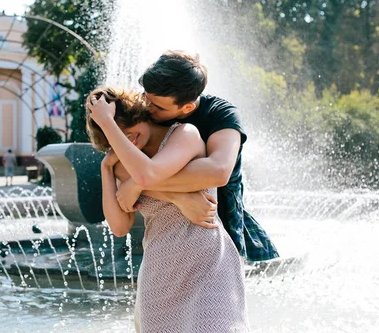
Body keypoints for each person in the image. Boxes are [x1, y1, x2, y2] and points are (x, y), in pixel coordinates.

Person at [87, 87, 249, 332]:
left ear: (139, 114)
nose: (127, 140)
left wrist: (107, 122)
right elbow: (119, 227)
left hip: (209, 263)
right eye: (117, 136)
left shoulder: (185, 134)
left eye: (128, 129)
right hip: (160, 272)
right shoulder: (124, 160)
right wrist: (106, 169)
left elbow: (147, 175)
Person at [116, 50, 279, 263]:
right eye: (146, 96)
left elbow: (218, 172)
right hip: (165, 230)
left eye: (158, 106)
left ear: (187, 107)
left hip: (216, 220)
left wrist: (138, 183)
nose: (147, 108)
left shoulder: (221, 114)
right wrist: (178, 197)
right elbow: (118, 163)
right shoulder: (146, 108)